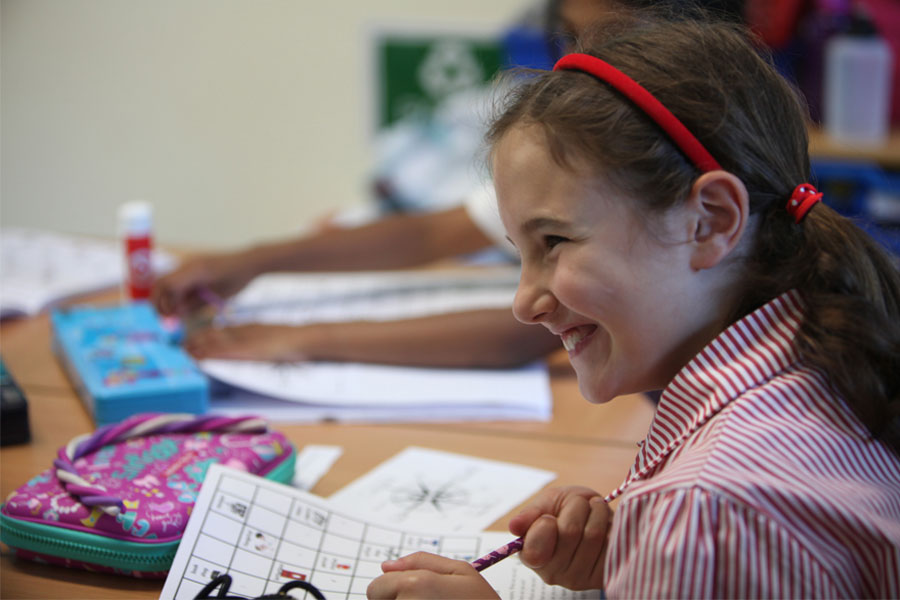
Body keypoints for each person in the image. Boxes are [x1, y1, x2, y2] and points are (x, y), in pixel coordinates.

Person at [366, 9, 900, 599]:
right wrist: (630, 560)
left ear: (711, 221)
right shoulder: (823, 362)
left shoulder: (709, 513)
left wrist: (671, 546)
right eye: (521, 251)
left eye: (556, 242)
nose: (525, 302)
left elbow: (720, 520)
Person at [151, 0, 629, 369]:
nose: (584, 64)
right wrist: (253, 262)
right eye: (569, 39)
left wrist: (302, 338)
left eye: (613, 41)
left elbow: (529, 330)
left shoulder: (653, 156)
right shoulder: (599, 135)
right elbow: (430, 233)